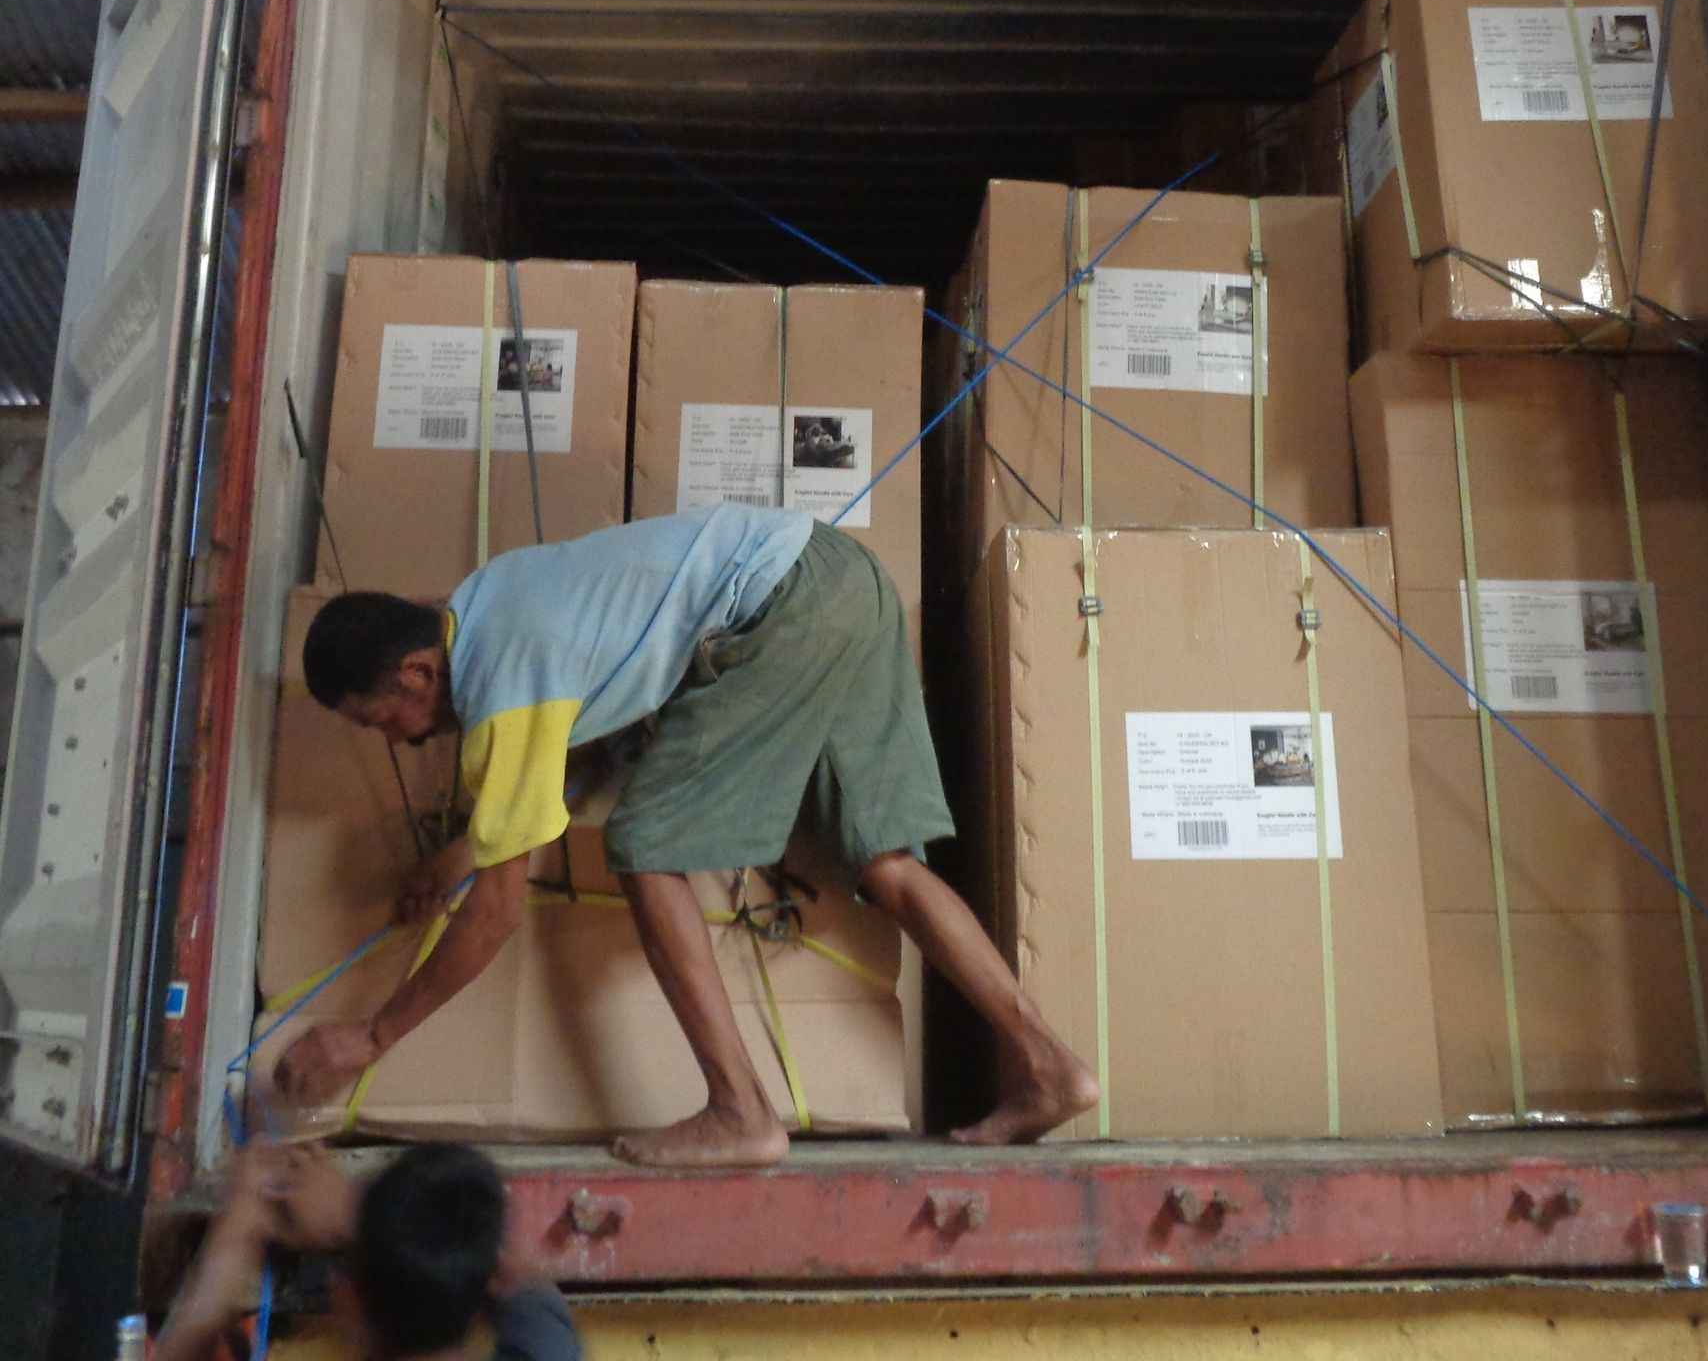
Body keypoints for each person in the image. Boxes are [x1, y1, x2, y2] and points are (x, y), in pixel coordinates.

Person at [273, 504, 1098, 1167]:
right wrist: (460, 855)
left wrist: (372, 1036)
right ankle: (1051, 1067)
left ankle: (740, 1110)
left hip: (780, 606)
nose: (396, 741)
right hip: (842, 572)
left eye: (382, 721)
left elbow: (495, 916)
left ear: (418, 672)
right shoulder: (489, 600)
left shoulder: (501, 684)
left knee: (646, 846)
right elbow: (572, 765)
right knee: (885, 864)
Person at [156, 1140, 578, 1360]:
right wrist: (365, 1220)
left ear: (348, 1297)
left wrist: (239, 1228)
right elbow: (527, 1288)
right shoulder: (544, 1347)